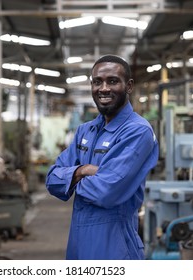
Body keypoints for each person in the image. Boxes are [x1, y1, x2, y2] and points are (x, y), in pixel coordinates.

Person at [45, 54, 159, 260]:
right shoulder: (84, 131)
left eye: (113, 81)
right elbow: (52, 180)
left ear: (129, 86)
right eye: (97, 82)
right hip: (78, 245)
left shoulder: (137, 131)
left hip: (115, 247)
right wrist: (84, 170)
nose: (104, 88)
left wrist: (70, 179)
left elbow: (107, 191)